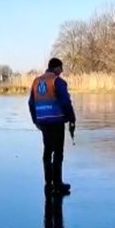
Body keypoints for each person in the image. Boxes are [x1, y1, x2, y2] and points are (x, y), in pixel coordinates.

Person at [29, 57, 76, 194]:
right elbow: (66, 102)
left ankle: (48, 184)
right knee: (58, 152)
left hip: (43, 121)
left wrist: (35, 120)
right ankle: (58, 184)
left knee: (47, 151)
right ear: (56, 68)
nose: (61, 71)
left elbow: (31, 103)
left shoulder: (36, 82)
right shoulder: (57, 81)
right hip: (56, 121)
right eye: (61, 68)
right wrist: (71, 119)